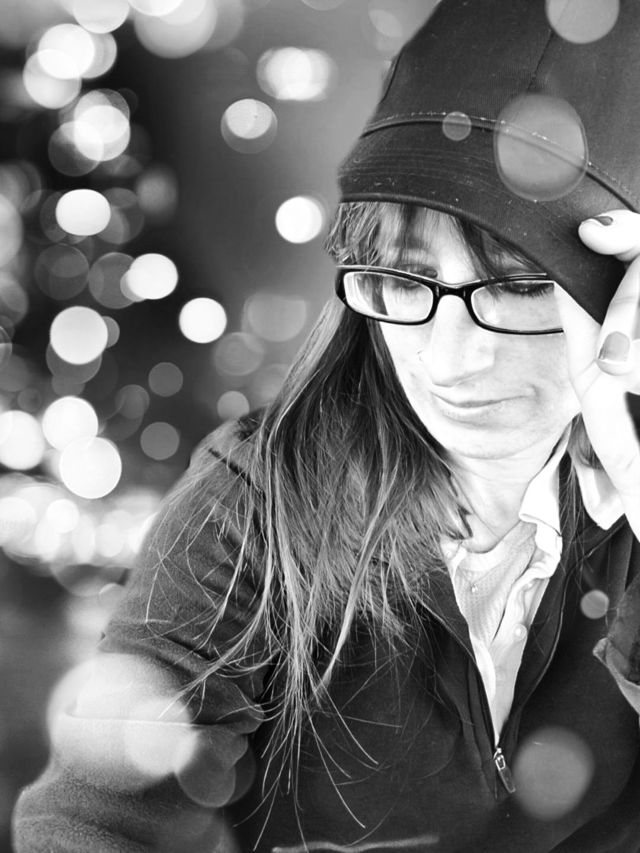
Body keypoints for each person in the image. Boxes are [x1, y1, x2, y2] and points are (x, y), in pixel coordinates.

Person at [12, 0, 640, 851]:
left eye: (520, 286)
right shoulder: (256, 503)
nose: (449, 358)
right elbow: (92, 819)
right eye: (402, 279)